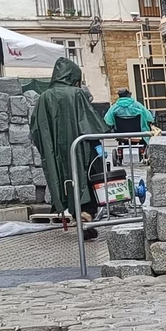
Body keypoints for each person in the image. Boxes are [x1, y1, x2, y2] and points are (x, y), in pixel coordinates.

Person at [29, 57, 105, 227]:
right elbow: (90, 124)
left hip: (55, 151)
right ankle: (86, 213)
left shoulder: (44, 97)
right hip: (80, 148)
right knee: (84, 177)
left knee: (62, 179)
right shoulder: (77, 94)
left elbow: (35, 129)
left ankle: (75, 212)